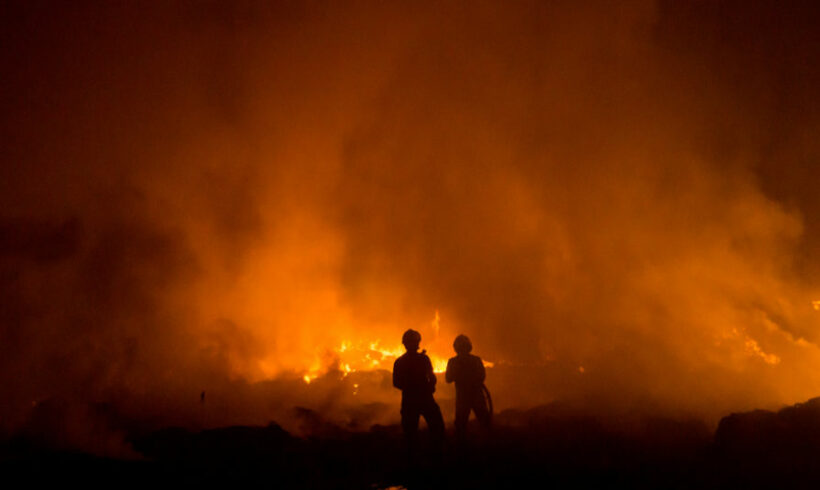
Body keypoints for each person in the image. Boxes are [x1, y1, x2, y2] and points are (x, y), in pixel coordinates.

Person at [393, 329, 445, 460]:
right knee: (437, 427)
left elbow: (396, 383)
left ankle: (413, 460)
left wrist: (410, 388)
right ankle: (437, 456)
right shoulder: (423, 359)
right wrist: (428, 387)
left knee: (410, 433)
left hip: (410, 400)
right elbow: (432, 378)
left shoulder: (400, 362)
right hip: (424, 398)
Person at [445, 334, 491, 442]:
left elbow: (448, 379)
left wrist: (458, 375)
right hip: (476, 396)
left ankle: (462, 449)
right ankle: (488, 445)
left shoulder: (453, 362)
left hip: (463, 397)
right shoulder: (476, 360)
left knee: (461, 425)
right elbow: (482, 376)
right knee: (484, 422)